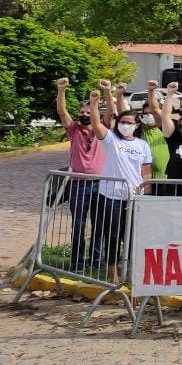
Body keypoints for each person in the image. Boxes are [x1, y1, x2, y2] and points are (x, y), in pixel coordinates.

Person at [87, 83, 152, 285]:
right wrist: (94, 103)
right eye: (123, 122)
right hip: (111, 197)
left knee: (132, 238)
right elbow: (97, 124)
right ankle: (113, 275)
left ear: (136, 125)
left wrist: (146, 197)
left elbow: (146, 172)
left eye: (130, 122)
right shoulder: (111, 140)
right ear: (118, 123)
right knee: (113, 237)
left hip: (133, 198)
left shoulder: (142, 145)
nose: (126, 125)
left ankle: (131, 274)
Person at [54, 77, 108, 272]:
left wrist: (103, 96)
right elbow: (62, 112)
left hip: (101, 184)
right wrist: (61, 90)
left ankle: (96, 260)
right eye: (82, 112)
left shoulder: (103, 130)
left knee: (99, 225)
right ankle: (77, 262)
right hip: (78, 184)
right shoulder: (74, 130)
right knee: (78, 225)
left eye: (89, 112)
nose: (85, 115)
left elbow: (111, 113)